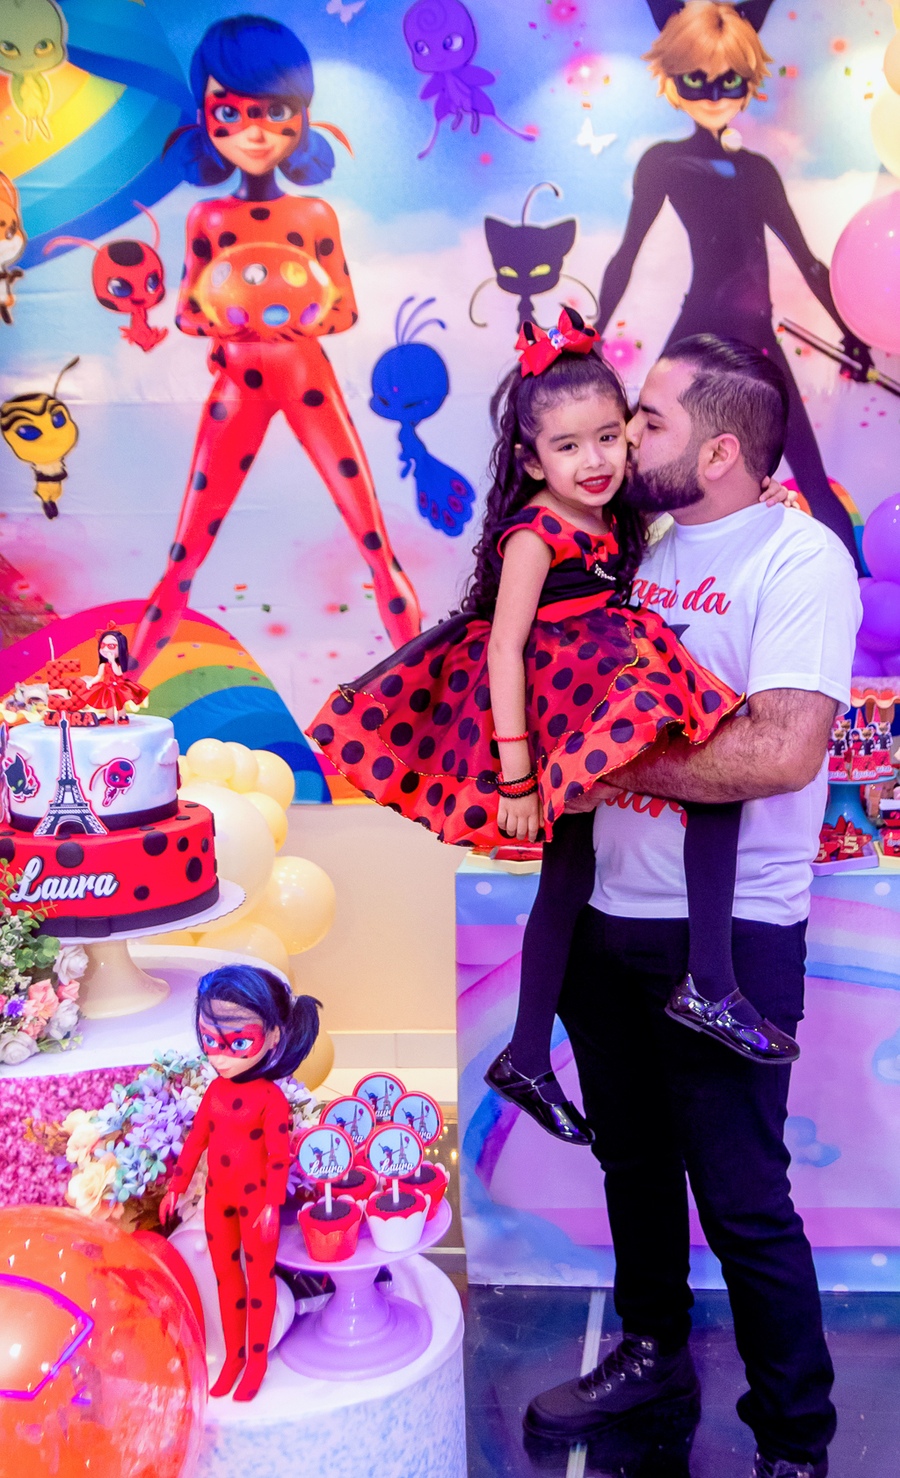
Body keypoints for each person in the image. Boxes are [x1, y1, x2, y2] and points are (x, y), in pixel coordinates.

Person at [523, 333, 860, 1478]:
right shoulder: (640, 553)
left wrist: (604, 763)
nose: (623, 435)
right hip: (611, 919)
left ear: (718, 449)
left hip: (733, 937)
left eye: (647, 420)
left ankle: (795, 1467)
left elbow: (780, 750)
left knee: (744, 1203)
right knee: (633, 1161)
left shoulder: (798, 561)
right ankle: (657, 1355)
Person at [310, 311, 802, 1152]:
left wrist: (761, 504)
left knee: (588, 863)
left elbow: (692, 515)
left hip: (601, 674)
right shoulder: (536, 530)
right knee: (683, 785)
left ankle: (534, 1050)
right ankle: (700, 987)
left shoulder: (617, 511)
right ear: (533, 461)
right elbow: (503, 646)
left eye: (609, 436)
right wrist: (516, 774)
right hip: (565, 697)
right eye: (568, 447)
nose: (595, 460)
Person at [130, 13, 419, 673]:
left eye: (275, 111)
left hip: (307, 377)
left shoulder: (313, 214)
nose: (254, 132)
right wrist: (225, 322)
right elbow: (188, 311)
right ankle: (122, 689)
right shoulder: (207, 217)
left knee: (374, 540)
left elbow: (343, 307)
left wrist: (297, 321)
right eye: (230, 112)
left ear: (302, 116)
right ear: (204, 116)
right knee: (185, 550)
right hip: (237, 385)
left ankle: (418, 684)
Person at [597, 0, 874, 565]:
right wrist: (591, 337)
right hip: (702, 334)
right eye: (696, 80)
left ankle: (852, 592)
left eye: (729, 81)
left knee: (809, 473)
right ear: (674, 81)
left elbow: (807, 261)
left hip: (746, 338)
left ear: (748, 83)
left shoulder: (757, 170)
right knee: (643, 472)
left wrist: (852, 331)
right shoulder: (665, 162)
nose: (714, 95)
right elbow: (627, 254)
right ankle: (611, 589)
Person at [159, 965, 321, 1401]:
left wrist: (272, 1203)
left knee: (259, 1280)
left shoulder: (271, 1099)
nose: (221, 1056)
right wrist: (176, 1186)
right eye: (210, 1041)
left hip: (257, 1204)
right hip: (218, 1199)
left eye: (239, 1042)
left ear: (273, 1036)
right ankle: (233, 1356)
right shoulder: (215, 1093)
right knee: (226, 1279)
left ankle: (257, 1361)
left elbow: (280, 1157)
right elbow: (196, 1142)